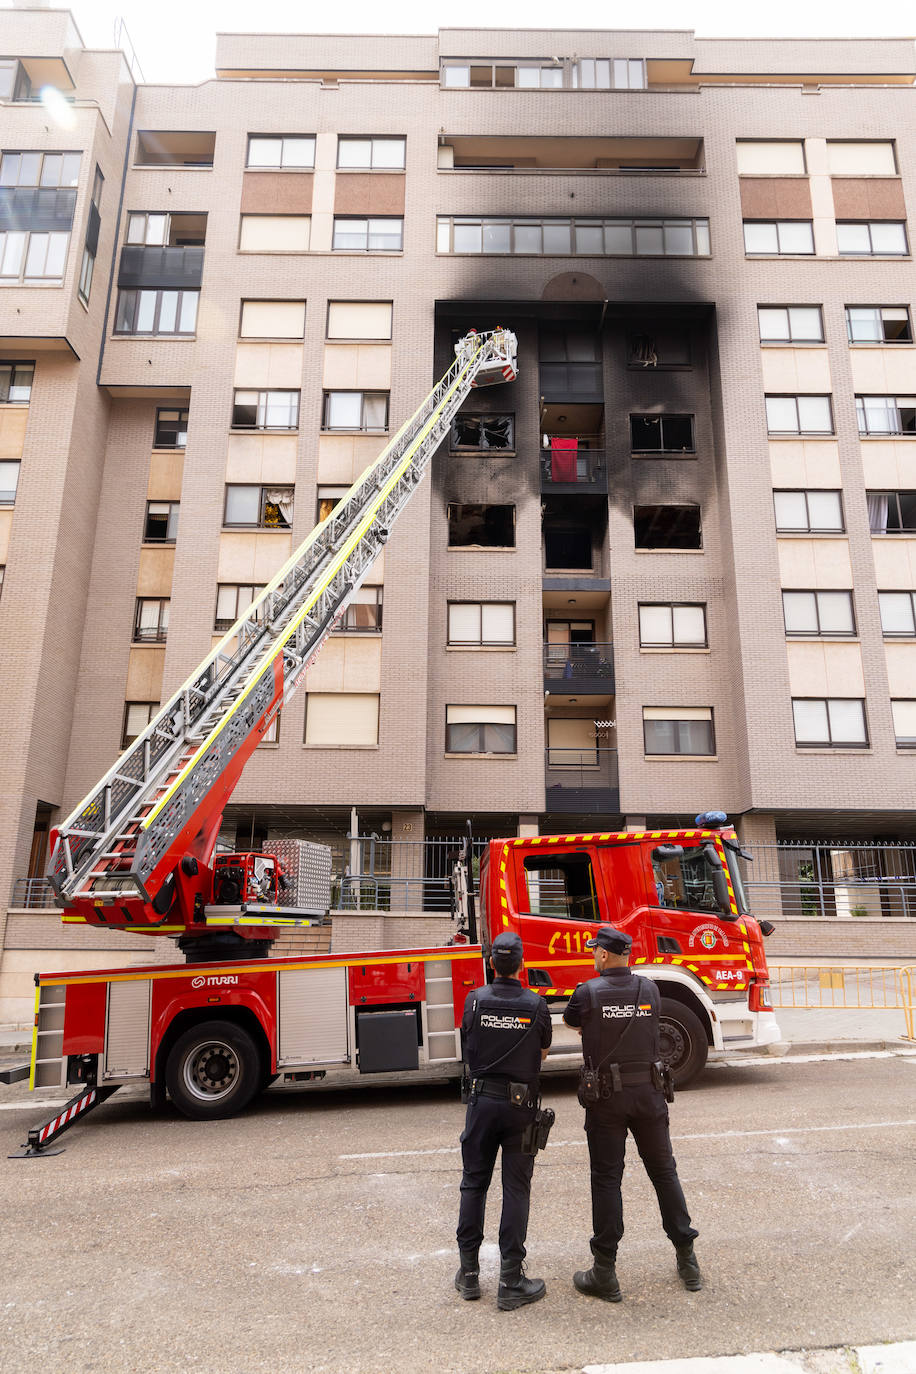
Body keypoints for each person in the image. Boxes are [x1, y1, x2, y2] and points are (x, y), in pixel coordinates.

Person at [563, 924, 701, 1301]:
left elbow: (572, 1022)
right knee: (664, 1173)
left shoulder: (587, 993)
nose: (593, 955)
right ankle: (688, 1260)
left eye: (595, 951)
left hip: (607, 1099)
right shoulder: (650, 989)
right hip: (650, 1094)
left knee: (607, 1179)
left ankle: (604, 1271)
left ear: (604, 955)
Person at [455, 929, 552, 1310]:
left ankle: (469, 1275)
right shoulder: (536, 1004)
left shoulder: (474, 1001)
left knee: (473, 1185)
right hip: (521, 1107)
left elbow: (468, 1044)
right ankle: (510, 1279)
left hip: (481, 1103)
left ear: (492, 963)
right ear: (522, 965)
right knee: (516, 1188)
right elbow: (542, 1052)